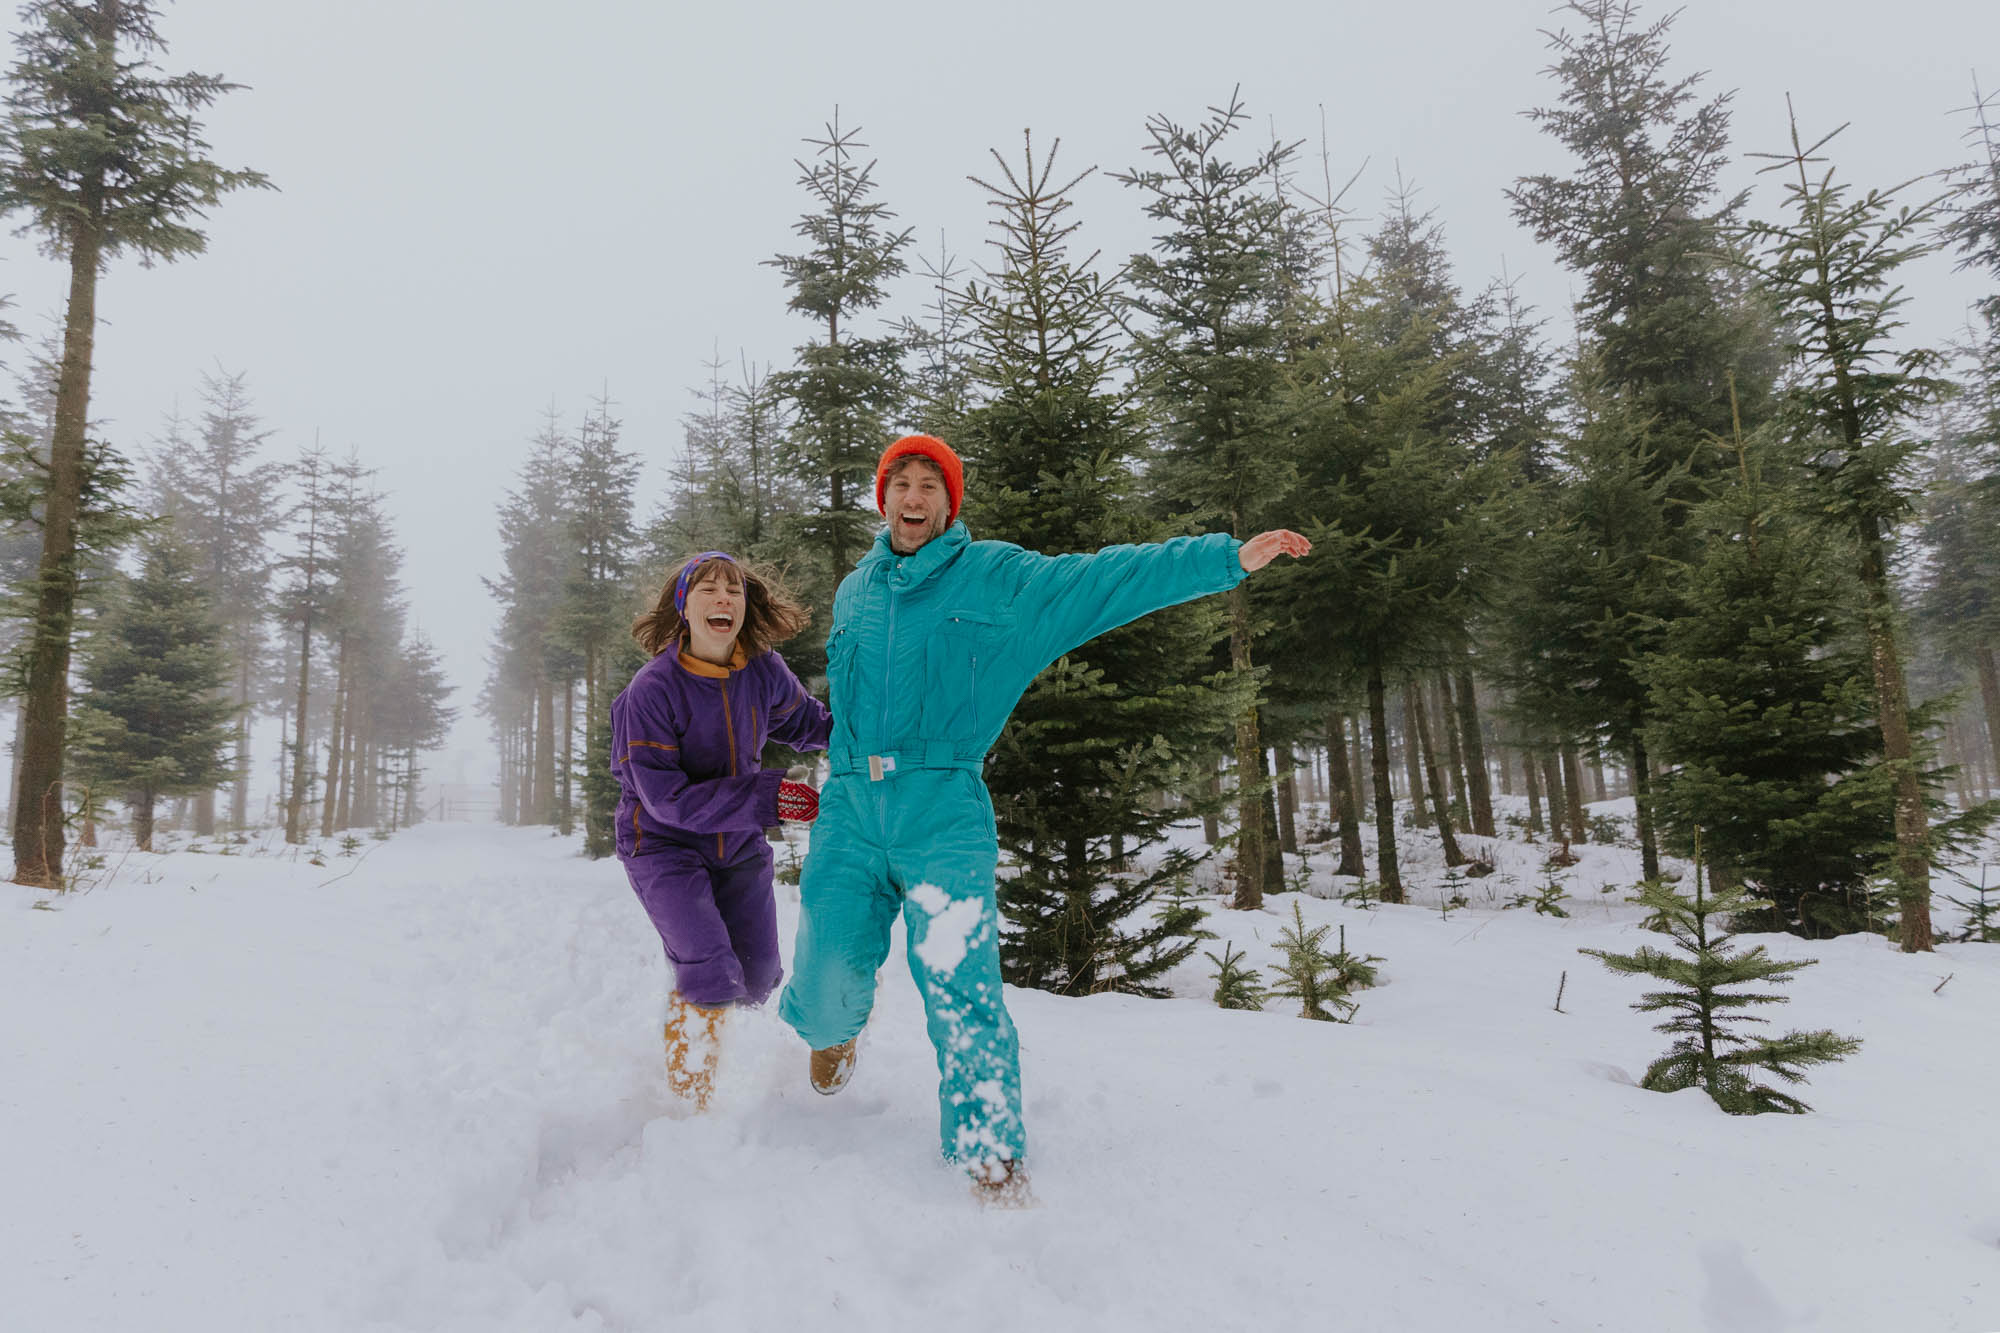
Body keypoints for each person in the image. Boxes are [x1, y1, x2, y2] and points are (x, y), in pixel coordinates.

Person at [778, 434, 1310, 1202]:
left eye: (931, 484)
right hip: (851, 808)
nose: (914, 498)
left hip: (941, 810)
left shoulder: (998, 579)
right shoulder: (856, 589)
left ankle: (989, 1148)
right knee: (824, 981)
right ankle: (836, 1029)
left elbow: (1108, 577)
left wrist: (1227, 558)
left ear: (949, 501)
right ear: (883, 496)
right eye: (902, 483)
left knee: (961, 985)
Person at [612, 552, 832, 1111]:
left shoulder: (760, 668)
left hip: (735, 842)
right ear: (685, 607)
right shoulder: (652, 690)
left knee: (757, 978)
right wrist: (766, 797)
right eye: (708, 589)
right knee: (711, 971)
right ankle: (692, 1106)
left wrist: (870, 733)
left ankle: (715, 1034)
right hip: (660, 844)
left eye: (733, 590)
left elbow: (809, 724)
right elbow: (667, 801)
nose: (724, 599)